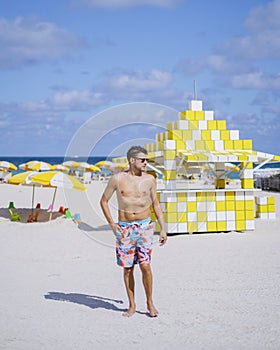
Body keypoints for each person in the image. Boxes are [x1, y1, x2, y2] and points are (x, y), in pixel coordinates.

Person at [100, 146, 167, 317]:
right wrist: (112, 224)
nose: (146, 163)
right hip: (125, 229)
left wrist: (163, 228)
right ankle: (132, 305)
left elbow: (156, 204)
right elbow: (104, 201)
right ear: (131, 161)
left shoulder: (150, 179)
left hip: (145, 227)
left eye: (147, 160)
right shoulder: (117, 179)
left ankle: (150, 303)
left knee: (145, 266)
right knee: (128, 268)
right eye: (142, 160)